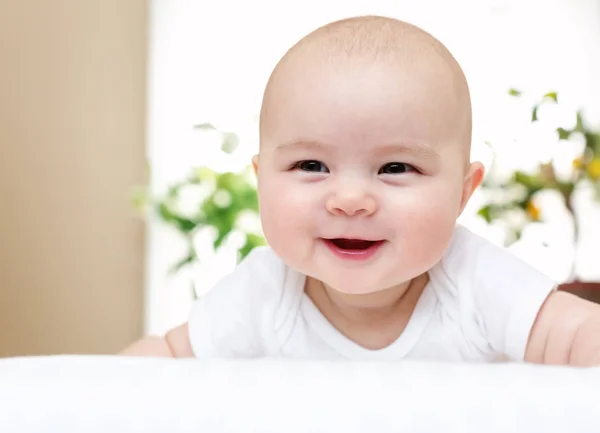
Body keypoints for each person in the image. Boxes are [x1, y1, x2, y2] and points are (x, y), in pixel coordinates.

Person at [122, 15, 600, 365]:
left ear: (462, 192)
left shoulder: (477, 282)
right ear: (261, 181)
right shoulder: (266, 292)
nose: (349, 200)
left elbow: (579, 334)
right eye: (311, 165)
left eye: (395, 167)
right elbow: (167, 359)